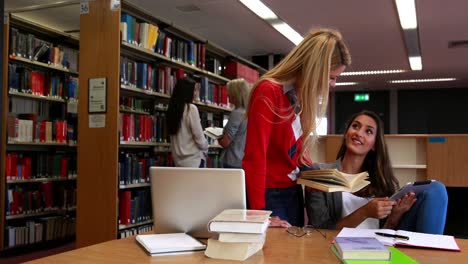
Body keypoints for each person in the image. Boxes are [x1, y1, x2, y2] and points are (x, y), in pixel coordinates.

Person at [242, 28, 352, 227]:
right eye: (331, 77)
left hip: (292, 191)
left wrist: (318, 177)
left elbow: (296, 151)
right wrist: (259, 215)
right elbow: (255, 156)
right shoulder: (269, 91)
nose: (333, 84)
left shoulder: (300, 96)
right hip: (269, 194)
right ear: (314, 69)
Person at [305, 110, 448, 234]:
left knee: (436, 189)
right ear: (346, 133)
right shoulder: (319, 173)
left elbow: (384, 231)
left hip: (378, 249)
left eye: (368, 131)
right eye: (355, 126)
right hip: (337, 248)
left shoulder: (381, 183)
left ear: (374, 145)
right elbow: (321, 231)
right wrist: (365, 212)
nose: (359, 133)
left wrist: (393, 218)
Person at [167, 77, 208, 167]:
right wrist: (206, 146)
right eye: (194, 90)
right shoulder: (191, 109)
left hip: (178, 161)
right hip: (193, 161)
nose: (196, 94)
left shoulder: (171, 110)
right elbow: (199, 137)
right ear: (186, 92)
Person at [218, 78, 250, 168]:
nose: (227, 94)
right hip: (242, 159)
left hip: (232, 160)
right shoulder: (248, 112)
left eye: (230, 92)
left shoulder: (236, 113)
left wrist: (217, 137)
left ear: (236, 94)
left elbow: (225, 142)